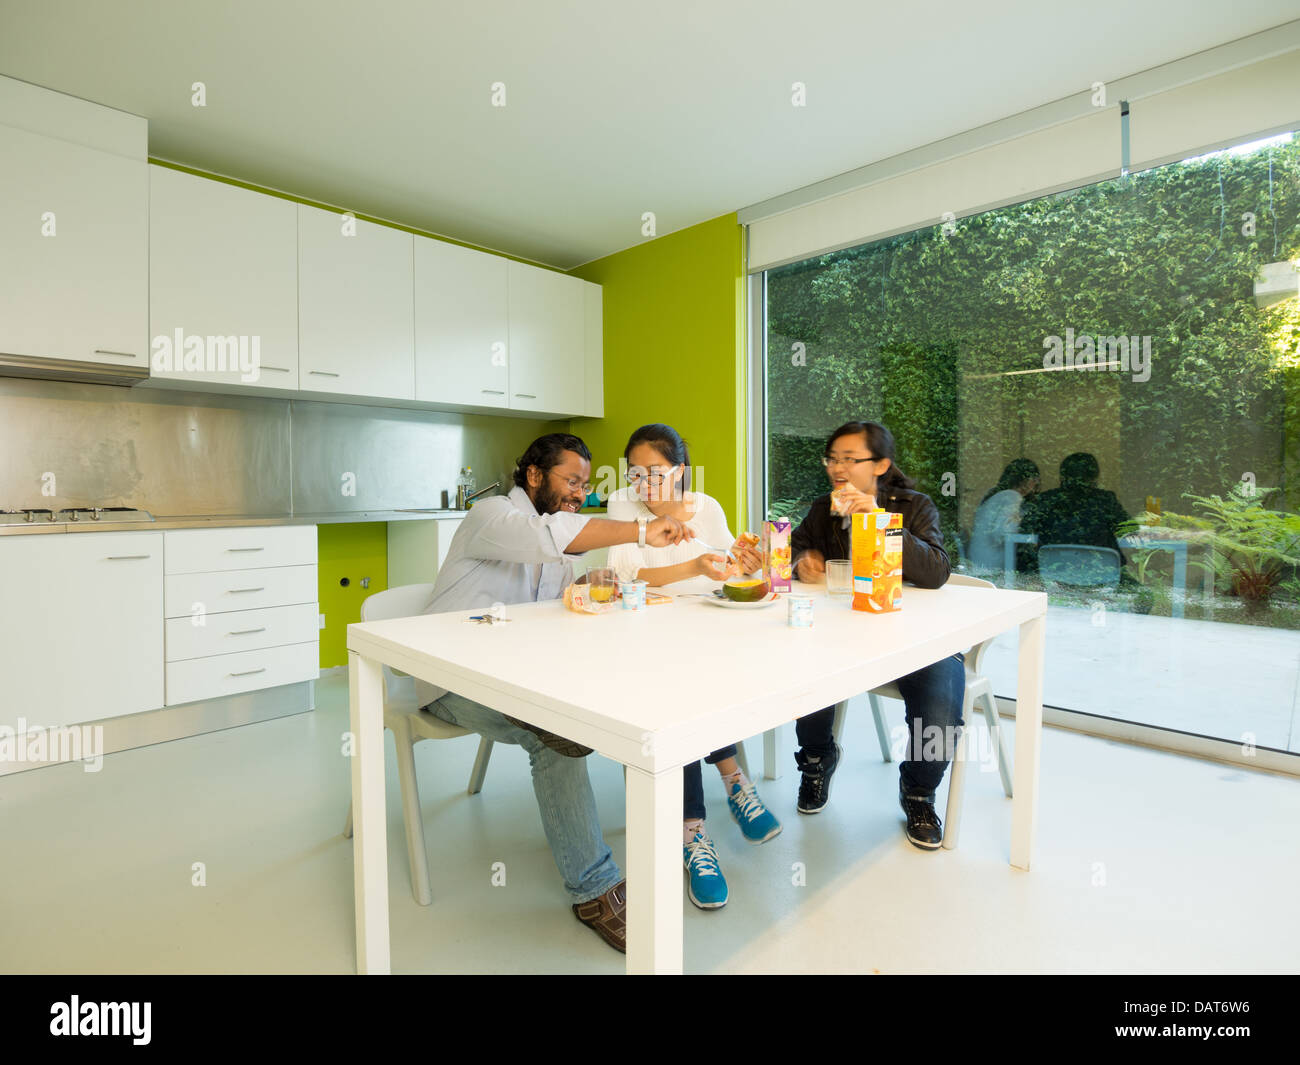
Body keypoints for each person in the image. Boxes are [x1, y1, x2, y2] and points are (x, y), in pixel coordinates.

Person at [413, 432, 693, 953]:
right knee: (551, 734)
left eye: (585, 485)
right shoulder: (491, 514)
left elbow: (553, 596)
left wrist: (590, 579)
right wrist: (639, 530)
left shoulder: (553, 534)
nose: (578, 493)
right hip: (448, 679)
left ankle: (568, 729)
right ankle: (594, 889)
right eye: (571, 481)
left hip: (511, 676)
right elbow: (551, 537)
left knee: (578, 704)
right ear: (535, 475)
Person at [606, 424, 779, 911]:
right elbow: (627, 573)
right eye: (635, 473)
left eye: (656, 474)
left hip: (704, 629)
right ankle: (698, 829)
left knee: (704, 681)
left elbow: (726, 565)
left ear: (680, 470)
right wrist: (695, 566)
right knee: (672, 697)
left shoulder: (705, 506)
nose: (644, 484)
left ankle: (732, 784)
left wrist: (743, 562)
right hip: (645, 635)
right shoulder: (623, 504)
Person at [789, 421, 964, 849]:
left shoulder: (915, 506)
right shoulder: (822, 509)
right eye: (832, 458)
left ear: (880, 464)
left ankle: (919, 792)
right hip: (844, 636)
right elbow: (794, 548)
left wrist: (880, 521)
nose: (837, 468)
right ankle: (816, 762)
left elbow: (937, 573)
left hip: (918, 639)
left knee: (939, 707)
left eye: (850, 459)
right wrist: (803, 561)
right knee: (804, 673)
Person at [1020, 452, 1131, 573]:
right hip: (1101, 573)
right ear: (1094, 477)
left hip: (1054, 573)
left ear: (1062, 476)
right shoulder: (1106, 500)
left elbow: (1024, 530)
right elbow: (1128, 528)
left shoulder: (1046, 500)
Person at [969, 459, 1040, 575]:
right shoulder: (1012, 496)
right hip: (992, 565)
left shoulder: (994, 493)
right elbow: (1002, 534)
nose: (1036, 483)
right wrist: (1028, 533)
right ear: (1025, 480)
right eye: (1034, 478)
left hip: (978, 560)